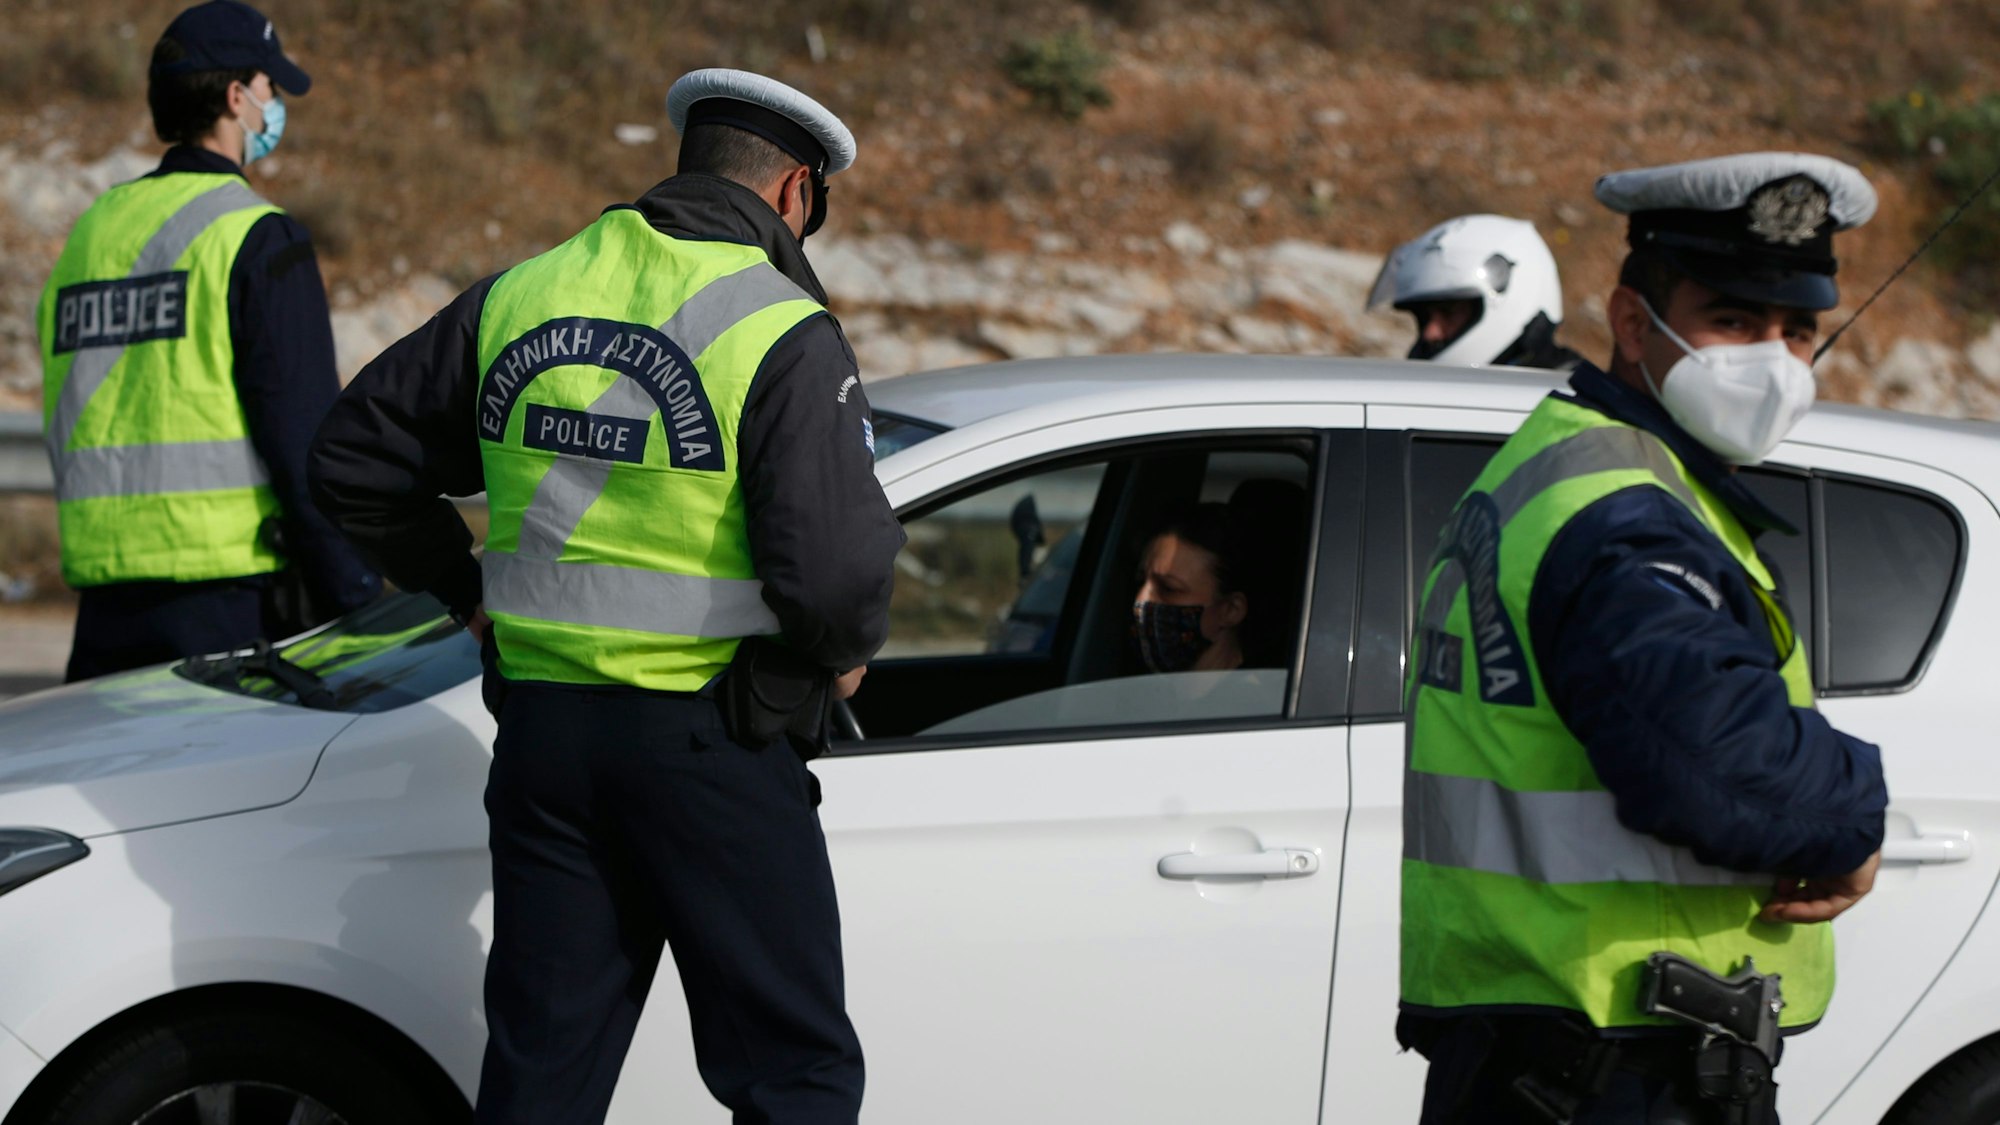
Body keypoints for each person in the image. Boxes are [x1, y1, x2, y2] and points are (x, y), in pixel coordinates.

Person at [307, 68, 903, 1124]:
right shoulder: (782, 326)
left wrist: (464, 587)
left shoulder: (525, 290)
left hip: (545, 743)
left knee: (544, 1073)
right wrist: (842, 650)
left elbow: (351, 455)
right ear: (794, 192)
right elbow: (835, 573)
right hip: (712, 748)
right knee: (794, 1077)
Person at [1398, 153, 1891, 1124]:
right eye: (1732, 322)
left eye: (1796, 332)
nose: (1772, 361)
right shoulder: (1625, 516)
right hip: (1615, 1068)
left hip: (1546, 1053)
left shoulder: (1575, 468)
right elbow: (1709, 760)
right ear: (1632, 323)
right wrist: (1853, 815)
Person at [37, 0, 379, 682]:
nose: (275, 105)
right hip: (228, 609)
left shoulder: (90, 233)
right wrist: (359, 599)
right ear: (236, 97)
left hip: (103, 610)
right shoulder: (256, 235)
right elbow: (303, 439)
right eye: (270, 88)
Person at [1368, 213, 1585, 371]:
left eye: (1448, 311)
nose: (1430, 333)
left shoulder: (1570, 401)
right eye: (1424, 317)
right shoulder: (1480, 400)